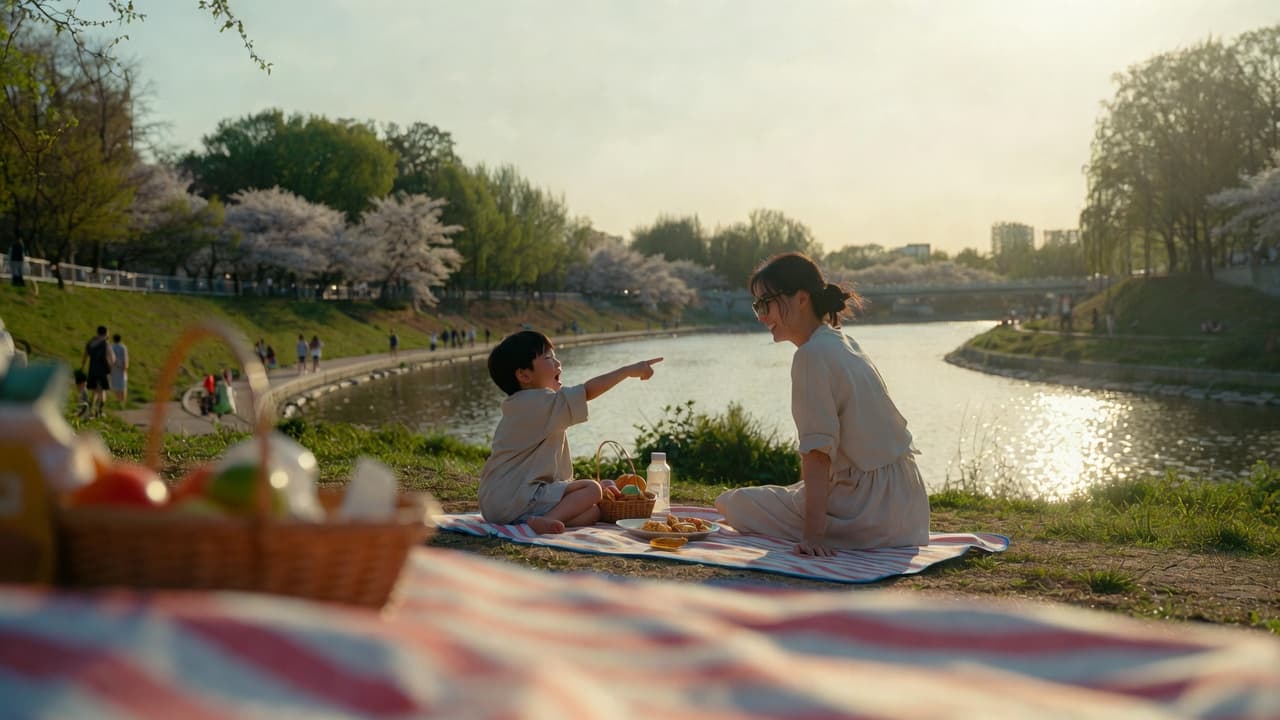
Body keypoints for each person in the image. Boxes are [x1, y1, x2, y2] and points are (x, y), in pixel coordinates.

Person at [715, 252, 930, 556]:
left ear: (801, 299)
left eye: (766, 303)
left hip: (868, 514)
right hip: (910, 511)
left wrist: (813, 536)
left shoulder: (810, 356)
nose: (762, 316)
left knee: (732, 503)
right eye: (757, 306)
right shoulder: (842, 341)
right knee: (788, 494)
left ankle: (826, 526)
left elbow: (817, 454)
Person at [478, 330, 662, 534]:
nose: (557, 363)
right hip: (516, 496)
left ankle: (538, 520)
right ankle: (547, 520)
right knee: (592, 489)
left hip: (498, 502)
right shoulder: (537, 402)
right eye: (548, 358)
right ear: (524, 375)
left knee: (593, 512)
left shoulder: (521, 405)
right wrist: (627, 371)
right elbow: (587, 391)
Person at [80, 325, 115, 418]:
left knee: (95, 390)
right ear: (106, 333)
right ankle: (99, 411)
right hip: (103, 371)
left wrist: (82, 367)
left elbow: (85, 356)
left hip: (92, 369)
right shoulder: (106, 344)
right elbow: (113, 358)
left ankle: (91, 409)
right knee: (102, 391)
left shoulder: (90, 342)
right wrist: (111, 368)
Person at [109, 333, 128, 408]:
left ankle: (118, 400)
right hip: (122, 368)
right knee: (123, 386)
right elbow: (125, 358)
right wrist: (125, 368)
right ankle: (122, 402)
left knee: (115, 385)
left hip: (113, 368)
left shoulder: (111, 347)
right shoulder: (123, 347)